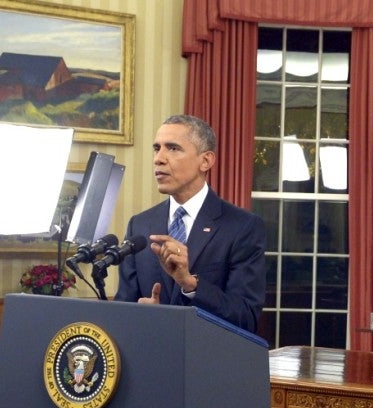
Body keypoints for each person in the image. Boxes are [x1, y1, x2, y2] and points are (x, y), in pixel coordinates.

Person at [114, 114, 266, 333]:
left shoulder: (242, 227)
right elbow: (123, 310)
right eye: (157, 148)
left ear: (206, 161)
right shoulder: (139, 225)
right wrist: (144, 316)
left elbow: (246, 317)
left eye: (173, 148)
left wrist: (191, 284)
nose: (159, 159)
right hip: (150, 351)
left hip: (208, 354)